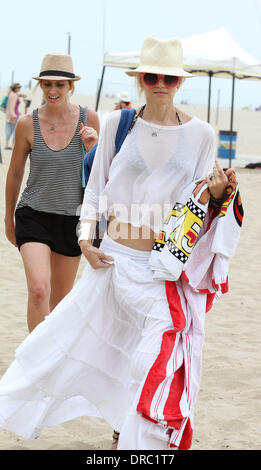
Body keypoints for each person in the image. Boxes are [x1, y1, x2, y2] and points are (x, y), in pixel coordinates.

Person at [0, 37, 242, 450]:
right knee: (62, 348)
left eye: (168, 77)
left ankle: (127, 437)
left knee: (148, 362)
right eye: (152, 76)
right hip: (110, 263)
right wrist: (86, 242)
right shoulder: (118, 124)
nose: (160, 84)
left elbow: (199, 207)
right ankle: (115, 429)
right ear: (140, 80)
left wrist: (219, 195)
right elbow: (95, 191)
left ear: (179, 83)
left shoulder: (202, 134)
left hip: (161, 271)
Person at [4, 53, 99, 333]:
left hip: (72, 220)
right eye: (47, 85)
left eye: (60, 84)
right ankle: (32, 364)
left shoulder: (88, 118)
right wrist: (8, 219)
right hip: (33, 215)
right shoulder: (26, 123)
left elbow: (100, 175)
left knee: (60, 305)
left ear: (71, 86)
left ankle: (50, 366)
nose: (53, 91)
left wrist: (93, 147)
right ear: (41, 86)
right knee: (38, 289)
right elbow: (15, 174)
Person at [4, 83, 23, 149]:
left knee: (9, 129)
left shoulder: (12, 94)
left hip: (11, 114)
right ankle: (12, 145)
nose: (19, 89)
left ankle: (7, 144)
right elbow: (11, 106)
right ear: (15, 88)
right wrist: (13, 115)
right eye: (18, 88)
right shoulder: (14, 95)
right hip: (14, 115)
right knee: (14, 130)